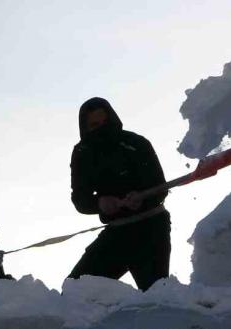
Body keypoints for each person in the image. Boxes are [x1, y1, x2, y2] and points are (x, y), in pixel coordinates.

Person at [68, 97, 170, 291]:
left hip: (151, 228)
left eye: (104, 122)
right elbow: (80, 199)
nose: (101, 128)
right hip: (117, 232)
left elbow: (160, 188)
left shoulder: (136, 143)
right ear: (85, 127)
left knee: (156, 295)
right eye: (94, 125)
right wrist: (100, 203)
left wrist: (141, 198)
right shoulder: (82, 152)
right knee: (76, 289)